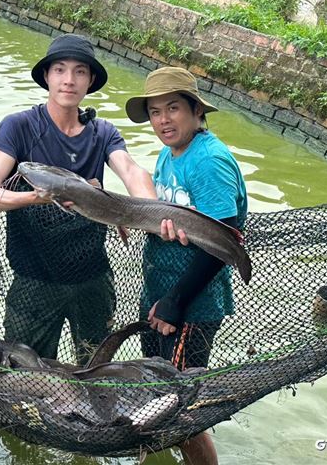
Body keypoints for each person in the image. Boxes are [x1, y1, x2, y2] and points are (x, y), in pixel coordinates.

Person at [0, 34, 164, 363]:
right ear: (47, 76)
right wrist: (37, 198)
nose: (68, 80)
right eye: (59, 70)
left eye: (79, 72)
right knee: (23, 373)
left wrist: (153, 214)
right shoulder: (18, 127)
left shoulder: (103, 132)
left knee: (96, 368)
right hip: (34, 280)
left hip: (92, 278)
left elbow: (133, 172)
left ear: (90, 80)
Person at [125, 66, 248, 465]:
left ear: (196, 111)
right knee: (157, 394)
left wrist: (176, 301)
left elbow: (221, 244)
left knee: (180, 409)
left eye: (173, 108)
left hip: (190, 305)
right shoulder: (168, 154)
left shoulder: (208, 161)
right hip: (163, 295)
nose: (163, 120)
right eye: (155, 112)